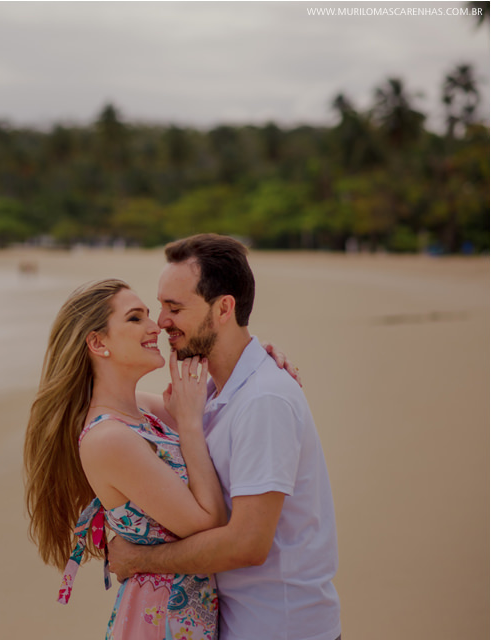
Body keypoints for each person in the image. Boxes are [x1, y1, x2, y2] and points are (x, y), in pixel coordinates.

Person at [23, 278, 298, 639]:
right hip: (159, 619)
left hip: (188, 612)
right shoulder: (108, 438)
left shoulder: (141, 412)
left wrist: (256, 358)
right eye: (136, 319)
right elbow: (208, 522)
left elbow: (218, 402)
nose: (156, 327)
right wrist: (188, 426)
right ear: (97, 342)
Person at [108, 234, 341, 640]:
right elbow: (117, 407)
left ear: (224, 309)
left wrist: (139, 559)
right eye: (161, 306)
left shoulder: (263, 400)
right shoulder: (212, 392)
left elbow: (247, 544)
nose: (161, 322)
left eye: (174, 308)